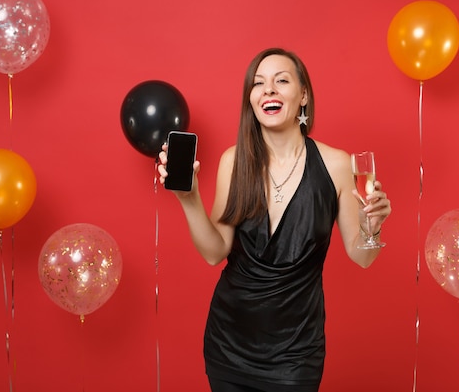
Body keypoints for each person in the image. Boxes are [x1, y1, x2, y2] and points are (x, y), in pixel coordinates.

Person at [157, 48, 392, 392]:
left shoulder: (337, 164)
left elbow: (363, 256)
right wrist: (188, 197)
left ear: (303, 96)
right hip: (229, 343)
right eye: (258, 84)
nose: (268, 90)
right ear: (250, 100)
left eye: (281, 80)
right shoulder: (233, 161)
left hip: (296, 351)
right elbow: (214, 252)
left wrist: (372, 227)